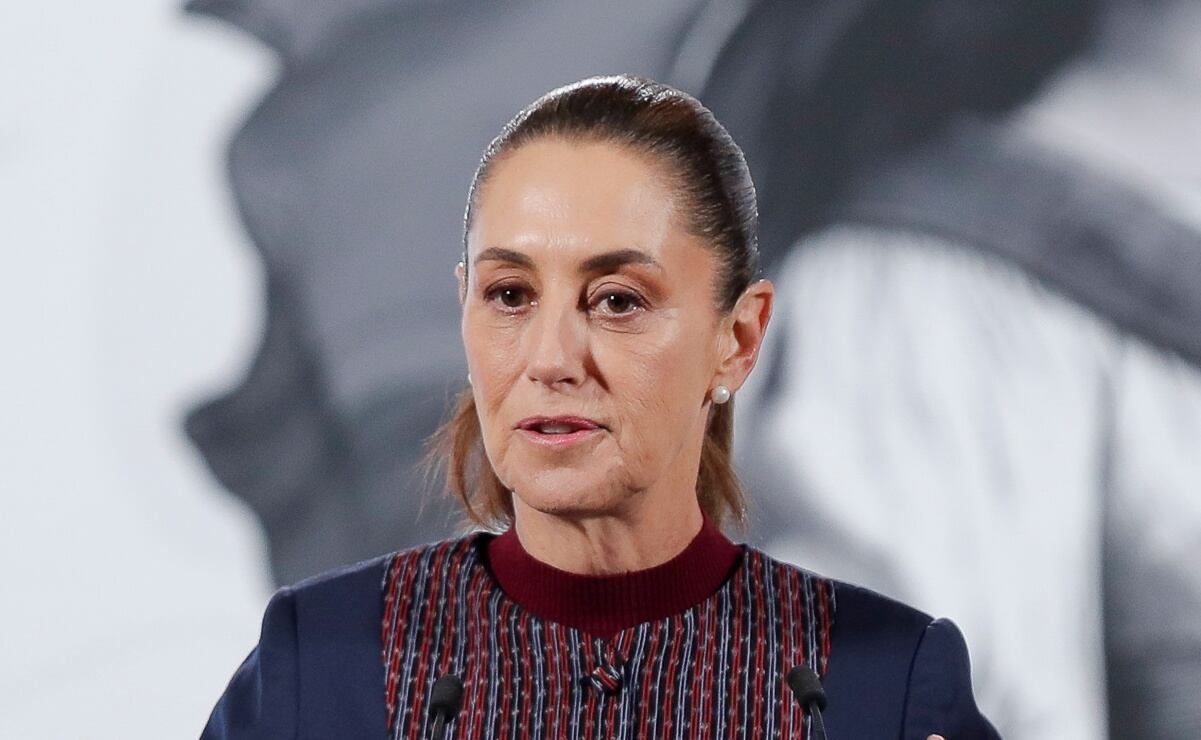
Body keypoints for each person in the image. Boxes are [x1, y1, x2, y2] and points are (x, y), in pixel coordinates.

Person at [201, 75, 999, 739]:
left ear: (737, 337)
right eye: (509, 294)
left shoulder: (880, 684)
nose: (550, 359)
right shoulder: (323, 666)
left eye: (616, 301)